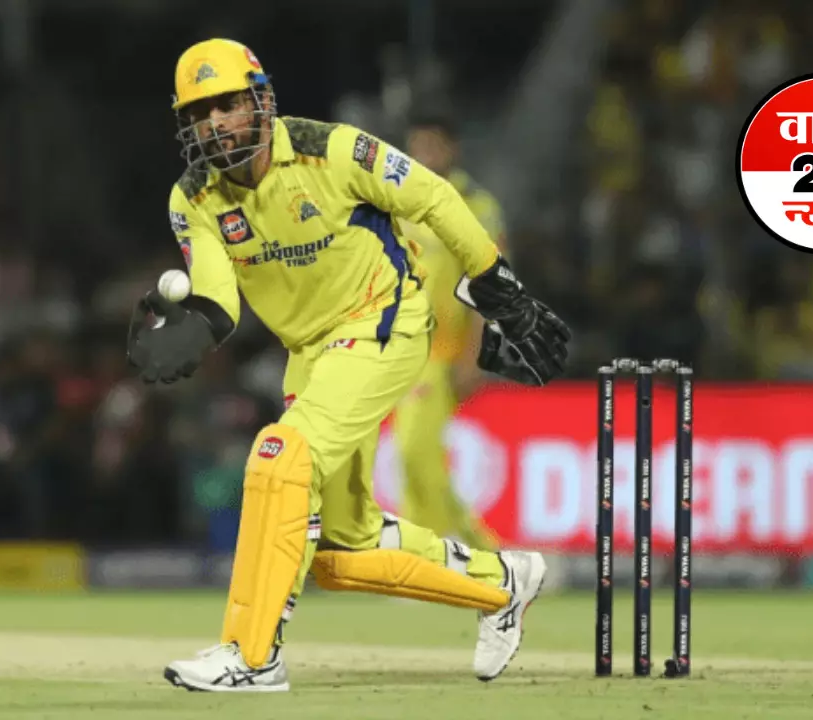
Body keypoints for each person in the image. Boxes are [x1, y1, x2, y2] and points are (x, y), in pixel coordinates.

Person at [130, 38, 572, 693]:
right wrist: (189, 331)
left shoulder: (332, 150)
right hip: (311, 354)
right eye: (199, 113)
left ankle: (251, 656)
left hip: (382, 324)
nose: (214, 123)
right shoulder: (192, 198)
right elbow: (219, 298)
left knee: (278, 458)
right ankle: (503, 582)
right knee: (341, 548)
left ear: (260, 100)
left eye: (226, 105)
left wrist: (496, 287)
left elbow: (434, 197)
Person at [393, 111, 507, 551]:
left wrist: (475, 353)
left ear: (451, 148)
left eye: (432, 145)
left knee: (414, 453)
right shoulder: (397, 200)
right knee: (415, 458)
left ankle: (460, 552)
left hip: (442, 353)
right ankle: (452, 554)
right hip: (398, 349)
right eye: (416, 146)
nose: (423, 155)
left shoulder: (475, 206)